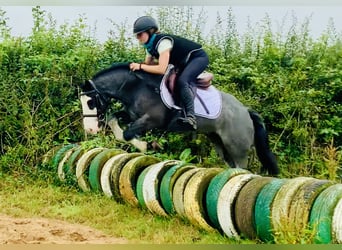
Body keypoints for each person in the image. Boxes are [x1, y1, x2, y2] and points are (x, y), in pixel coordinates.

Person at [130, 16, 209, 130]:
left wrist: (140, 66)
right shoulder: (149, 47)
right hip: (183, 62)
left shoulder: (163, 42)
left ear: (150, 31)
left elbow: (161, 69)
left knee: (182, 81)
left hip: (198, 58)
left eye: (140, 34)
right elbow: (147, 66)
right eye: (136, 35)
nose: (138, 38)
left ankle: (191, 117)